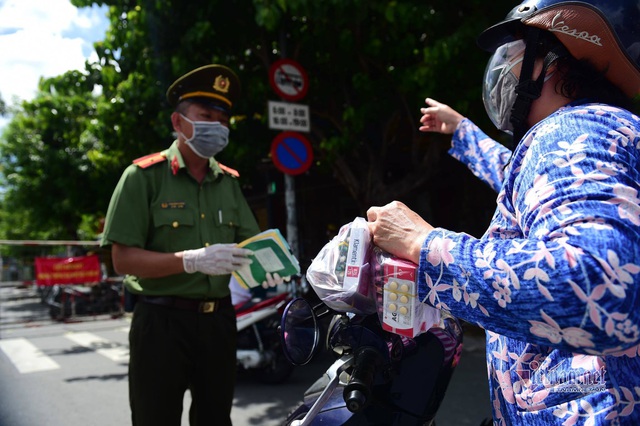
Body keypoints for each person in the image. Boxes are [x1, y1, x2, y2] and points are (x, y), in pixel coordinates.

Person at [367, 1, 640, 424]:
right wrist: (462, 132)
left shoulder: (571, 130)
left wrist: (426, 247)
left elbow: (602, 285)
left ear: (553, 64)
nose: (506, 69)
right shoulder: (610, 132)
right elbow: (525, 185)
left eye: (515, 53)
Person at [101, 64, 282, 426]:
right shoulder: (142, 178)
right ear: (178, 122)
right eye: (206, 115)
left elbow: (251, 245)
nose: (217, 124)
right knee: (156, 418)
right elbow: (122, 260)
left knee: (216, 419)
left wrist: (277, 267)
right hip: (160, 321)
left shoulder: (228, 183)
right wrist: (190, 260)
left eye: (222, 118)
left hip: (218, 322)